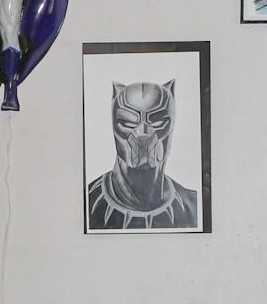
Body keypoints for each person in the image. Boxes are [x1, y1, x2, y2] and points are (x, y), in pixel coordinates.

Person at [86, 81, 200, 230]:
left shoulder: (192, 205)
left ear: (171, 124)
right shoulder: (88, 202)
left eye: (158, 121)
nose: (143, 132)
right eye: (128, 123)